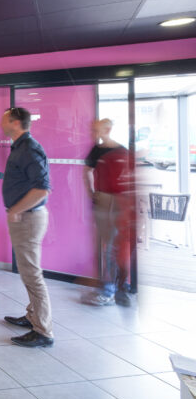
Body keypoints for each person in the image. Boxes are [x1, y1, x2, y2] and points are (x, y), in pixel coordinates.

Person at [0, 107, 54, 348]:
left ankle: (43, 331)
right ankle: (32, 316)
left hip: (29, 218)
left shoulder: (30, 148)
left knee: (32, 275)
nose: (1, 121)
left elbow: (42, 188)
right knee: (28, 272)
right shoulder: (19, 146)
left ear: (15, 122)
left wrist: (16, 210)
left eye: (5, 118)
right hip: (26, 217)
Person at [83, 119, 133, 307]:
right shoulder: (97, 150)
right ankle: (109, 289)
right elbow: (86, 171)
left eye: (96, 130)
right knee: (108, 246)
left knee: (116, 247)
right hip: (104, 201)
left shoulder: (121, 151)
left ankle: (115, 289)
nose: (94, 133)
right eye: (93, 129)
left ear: (108, 129)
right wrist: (91, 192)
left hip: (119, 203)